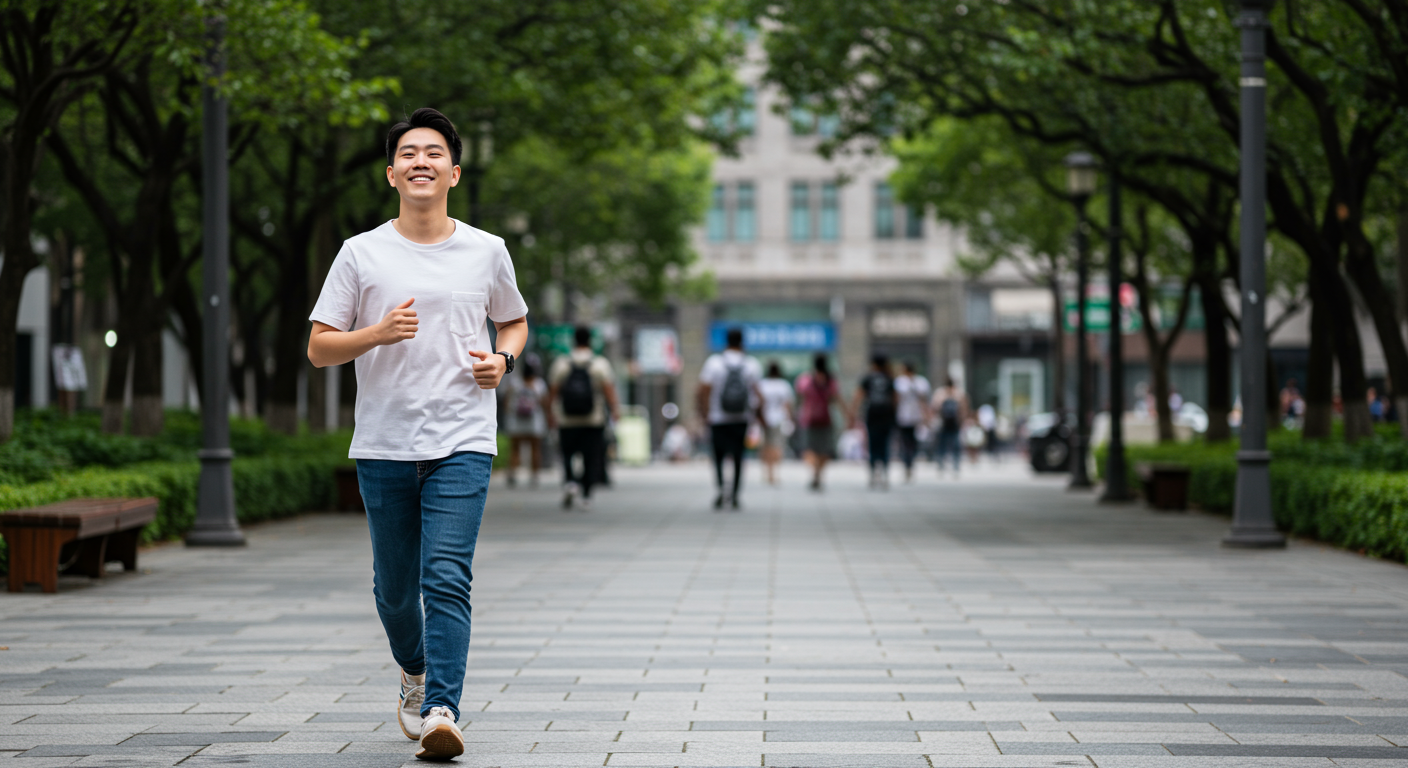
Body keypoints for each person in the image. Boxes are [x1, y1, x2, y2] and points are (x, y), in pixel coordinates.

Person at [306, 108, 528, 761]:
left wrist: (503, 361)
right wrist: (376, 333)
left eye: (434, 152)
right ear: (391, 173)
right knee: (395, 589)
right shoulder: (361, 253)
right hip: (384, 444)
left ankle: (442, 707)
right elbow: (319, 348)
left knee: (446, 575)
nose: (421, 161)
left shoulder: (487, 250)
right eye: (409, 153)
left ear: (454, 172)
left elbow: (513, 322)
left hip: (463, 439)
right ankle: (413, 667)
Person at [548, 325, 619, 511]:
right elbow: (609, 391)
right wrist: (615, 411)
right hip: (593, 420)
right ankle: (586, 494)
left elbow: (553, 392)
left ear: (574, 340)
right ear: (590, 341)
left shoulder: (562, 363)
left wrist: (550, 414)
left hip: (566, 419)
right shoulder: (600, 363)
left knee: (567, 454)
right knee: (591, 457)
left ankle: (571, 482)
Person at [697, 327, 763, 509]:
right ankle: (734, 494)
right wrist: (759, 416)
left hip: (717, 418)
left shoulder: (714, 363)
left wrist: (704, 413)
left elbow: (703, 390)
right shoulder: (751, 364)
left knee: (718, 455)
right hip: (742, 418)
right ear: (742, 342)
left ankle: (720, 489)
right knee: (739, 456)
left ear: (726, 341)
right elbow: (758, 395)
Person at [796, 354, 846, 491]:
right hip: (826, 419)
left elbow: (800, 398)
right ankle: (818, 473)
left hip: (808, 420)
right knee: (825, 450)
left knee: (808, 449)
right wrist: (848, 415)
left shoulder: (805, 380)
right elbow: (837, 400)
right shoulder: (831, 381)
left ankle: (815, 472)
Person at [852, 355, 897, 489]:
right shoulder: (889, 378)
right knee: (885, 445)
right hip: (886, 416)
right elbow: (895, 398)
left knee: (872, 444)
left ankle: (872, 474)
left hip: (872, 415)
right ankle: (884, 474)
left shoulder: (868, 378)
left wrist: (853, 413)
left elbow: (859, 396)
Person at [501, 357, 548, 487]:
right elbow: (544, 402)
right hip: (534, 420)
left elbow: (507, 400)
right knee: (535, 448)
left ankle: (512, 473)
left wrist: (508, 413)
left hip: (516, 420)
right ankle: (535, 475)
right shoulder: (539, 384)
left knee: (515, 448)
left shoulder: (515, 382)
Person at [757, 361, 796, 486]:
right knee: (777, 445)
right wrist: (790, 419)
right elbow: (788, 404)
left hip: (764, 419)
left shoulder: (762, 384)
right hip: (779, 419)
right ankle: (774, 472)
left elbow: (757, 403)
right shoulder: (783, 385)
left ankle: (768, 471)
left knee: (766, 446)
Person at [893, 361, 931, 482]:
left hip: (916, 417)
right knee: (905, 441)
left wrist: (926, 416)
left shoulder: (921, 382)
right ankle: (907, 464)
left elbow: (924, 400)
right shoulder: (900, 382)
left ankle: (910, 463)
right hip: (903, 417)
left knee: (913, 442)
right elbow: (896, 400)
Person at [930, 377, 967, 478]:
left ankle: (943, 465)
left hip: (946, 423)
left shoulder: (940, 393)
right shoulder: (959, 394)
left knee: (944, 445)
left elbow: (934, 408)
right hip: (950, 423)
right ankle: (953, 466)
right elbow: (964, 409)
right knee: (953, 445)